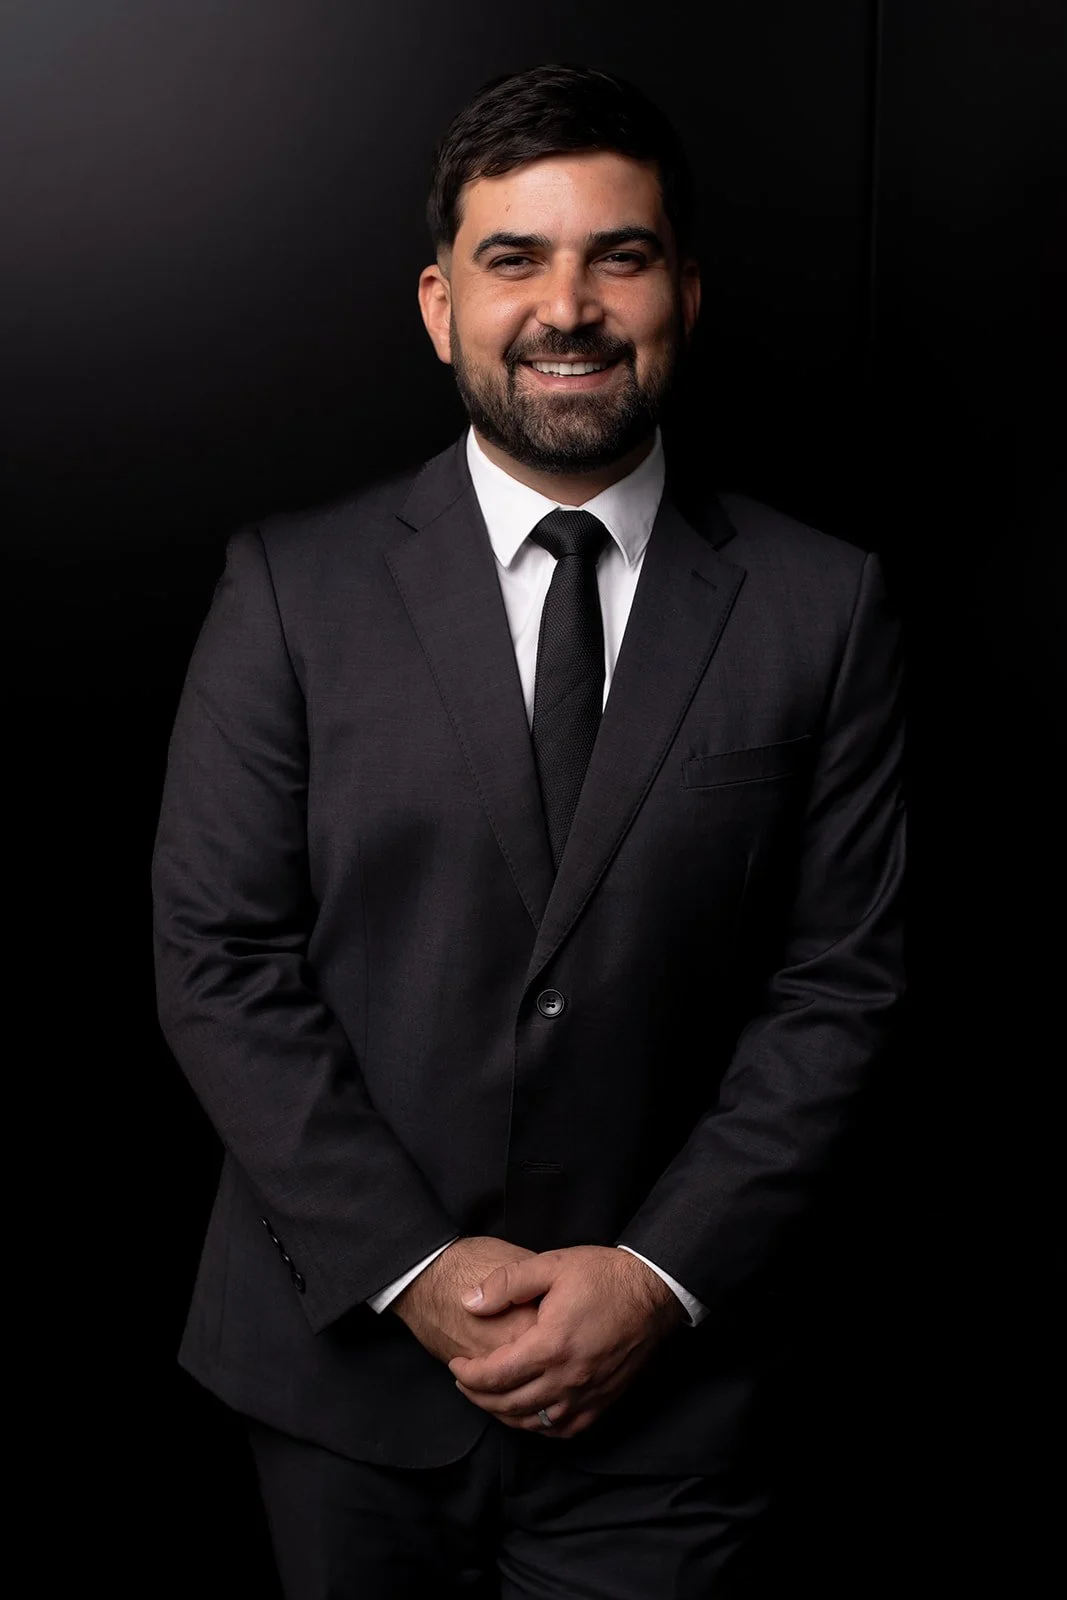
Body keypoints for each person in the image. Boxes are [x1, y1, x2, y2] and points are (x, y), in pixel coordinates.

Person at [152, 61, 905, 1600]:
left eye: (615, 257)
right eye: (515, 259)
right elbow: (218, 960)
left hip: (676, 1404)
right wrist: (415, 1272)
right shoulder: (290, 590)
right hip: (342, 1388)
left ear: (682, 292)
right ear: (440, 305)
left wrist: (653, 1279)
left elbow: (842, 983)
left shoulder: (823, 608)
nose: (568, 306)